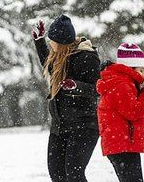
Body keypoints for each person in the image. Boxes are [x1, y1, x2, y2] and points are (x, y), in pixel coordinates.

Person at [32, 15, 101, 182]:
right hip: (59, 127)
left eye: (52, 40)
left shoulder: (87, 57)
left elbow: (98, 89)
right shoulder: (58, 57)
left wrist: (76, 86)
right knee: (57, 175)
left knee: (74, 175)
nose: (50, 43)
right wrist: (39, 41)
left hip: (84, 127)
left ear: (63, 42)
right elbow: (47, 63)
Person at [96, 43, 144, 182]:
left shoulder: (122, 83)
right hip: (123, 144)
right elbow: (134, 111)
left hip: (121, 143)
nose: (143, 74)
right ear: (130, 68)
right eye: (141, 70)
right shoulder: (122, 85)